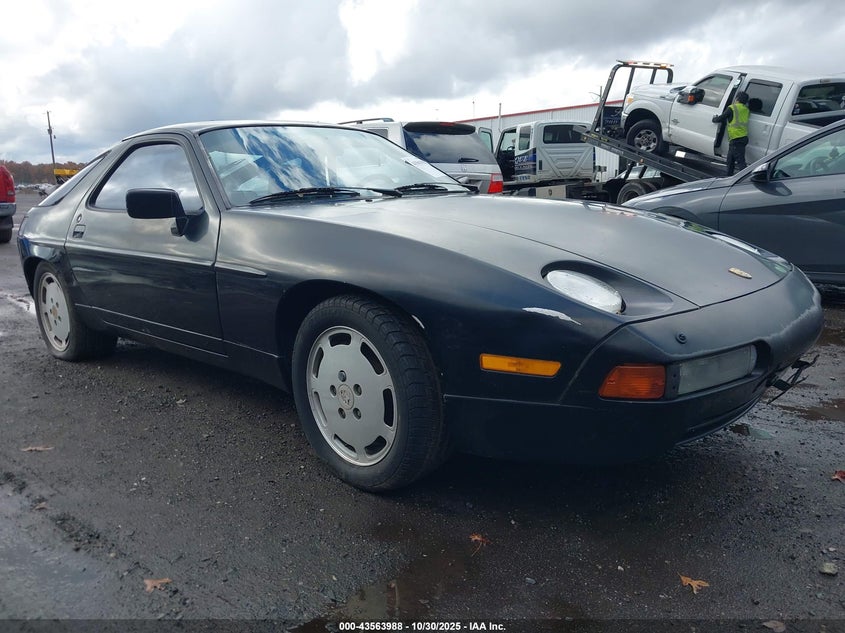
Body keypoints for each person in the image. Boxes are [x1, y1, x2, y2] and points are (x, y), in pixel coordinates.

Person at [712, 91, 750, 175]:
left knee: (741, 163)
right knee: (730, 160)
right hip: (742, 138)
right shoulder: (746, 109)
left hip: (736, 139)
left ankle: (747, 179)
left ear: (737, 99)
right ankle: (729, 177)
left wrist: (714, 119)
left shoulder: (732, 108)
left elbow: (721, 118)